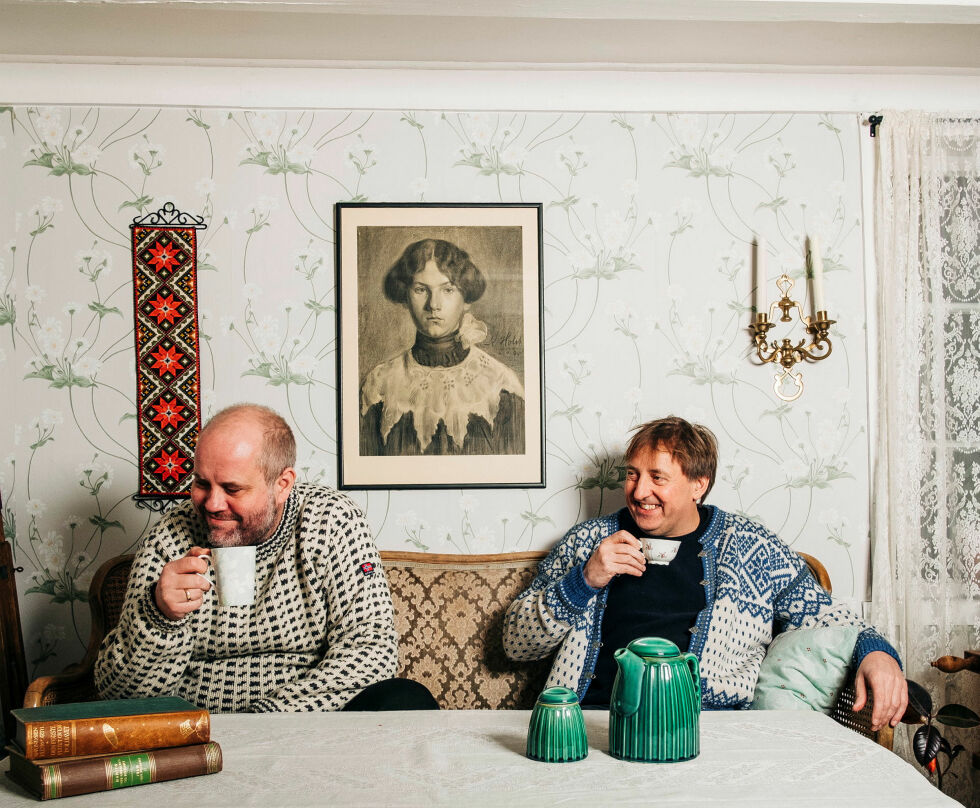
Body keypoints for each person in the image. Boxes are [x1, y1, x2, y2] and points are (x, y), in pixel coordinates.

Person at [503, 416, 908, 731]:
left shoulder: (750, 547)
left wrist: (876, 653)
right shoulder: (588, 541)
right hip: (589, 726)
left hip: (707, 734)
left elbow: (828, 616)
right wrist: (584, 580)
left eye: (657, 477)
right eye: (632, 474)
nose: (639, 491)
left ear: (699, 484)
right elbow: (515, 644)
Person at [95, 403, 437, 712]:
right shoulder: (169, 539)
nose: (212, 504)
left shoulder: (331, 522)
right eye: (201, 483)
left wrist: (265, 720)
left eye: (232, 489)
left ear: (282, 483)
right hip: (202, 727)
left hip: (311, 720)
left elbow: (372, 652)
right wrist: (160, 616)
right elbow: (120, 696)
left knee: (407, 699)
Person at [360, 237, 526, 456]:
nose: (433, 305)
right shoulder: (380, 382)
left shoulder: (500, 384)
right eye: (421, 289)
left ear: (466, 298)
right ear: (405, 296)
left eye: (447, 290)